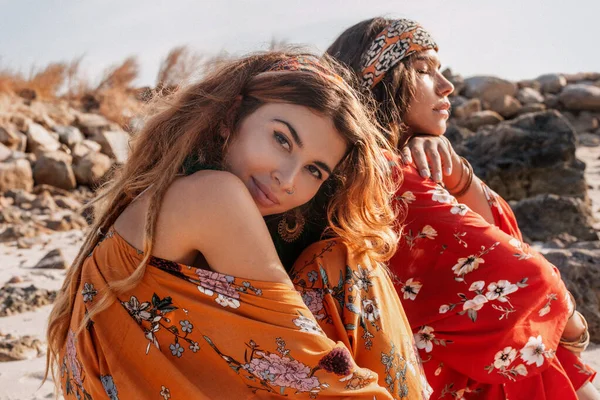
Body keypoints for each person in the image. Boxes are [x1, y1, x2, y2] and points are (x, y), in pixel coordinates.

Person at [44, 52, 428, 399]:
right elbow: (307, 366)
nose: (289, 179)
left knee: (340, 254)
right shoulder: (212, 196)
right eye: (281, 139)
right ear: (231, 117)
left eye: (314, 169)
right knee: (349, 265)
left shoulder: (175, 187)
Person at [290, 18, 598, 399]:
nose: (447, 85)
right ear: (381, 81)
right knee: (540, 354)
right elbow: (528, 276)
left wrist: (457, 175)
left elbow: (495, 241)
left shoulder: (342, 163)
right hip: (414, 376)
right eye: (423, 70)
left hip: (375, 365)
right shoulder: (384, 171)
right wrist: (572, 325)